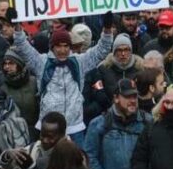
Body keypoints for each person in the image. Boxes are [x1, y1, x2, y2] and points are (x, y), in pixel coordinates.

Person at [12, 13, 115, 146]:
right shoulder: (41, 63)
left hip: (75, 128)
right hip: (49, 128)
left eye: (66, 46)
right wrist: (17, 24)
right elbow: (22, 46)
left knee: (77, 165)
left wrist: (107, 29)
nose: (62, 50)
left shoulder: (79, 62)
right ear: (52, 47)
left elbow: (102, 50)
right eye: (58, 46)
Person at [83, 78, 152, 169]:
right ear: (116, 98)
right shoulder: (99, 124)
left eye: (134, 96)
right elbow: (89, 156)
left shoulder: (147, 122)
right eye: (127, 97)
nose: (133, 100)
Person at [1, 49, 39, 130]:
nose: (7, 67)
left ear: (19, 64)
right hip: (12, 130)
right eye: (5, 63)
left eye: (11, 63)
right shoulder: (2, 84)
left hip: (33, 128)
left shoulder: (33, 82)